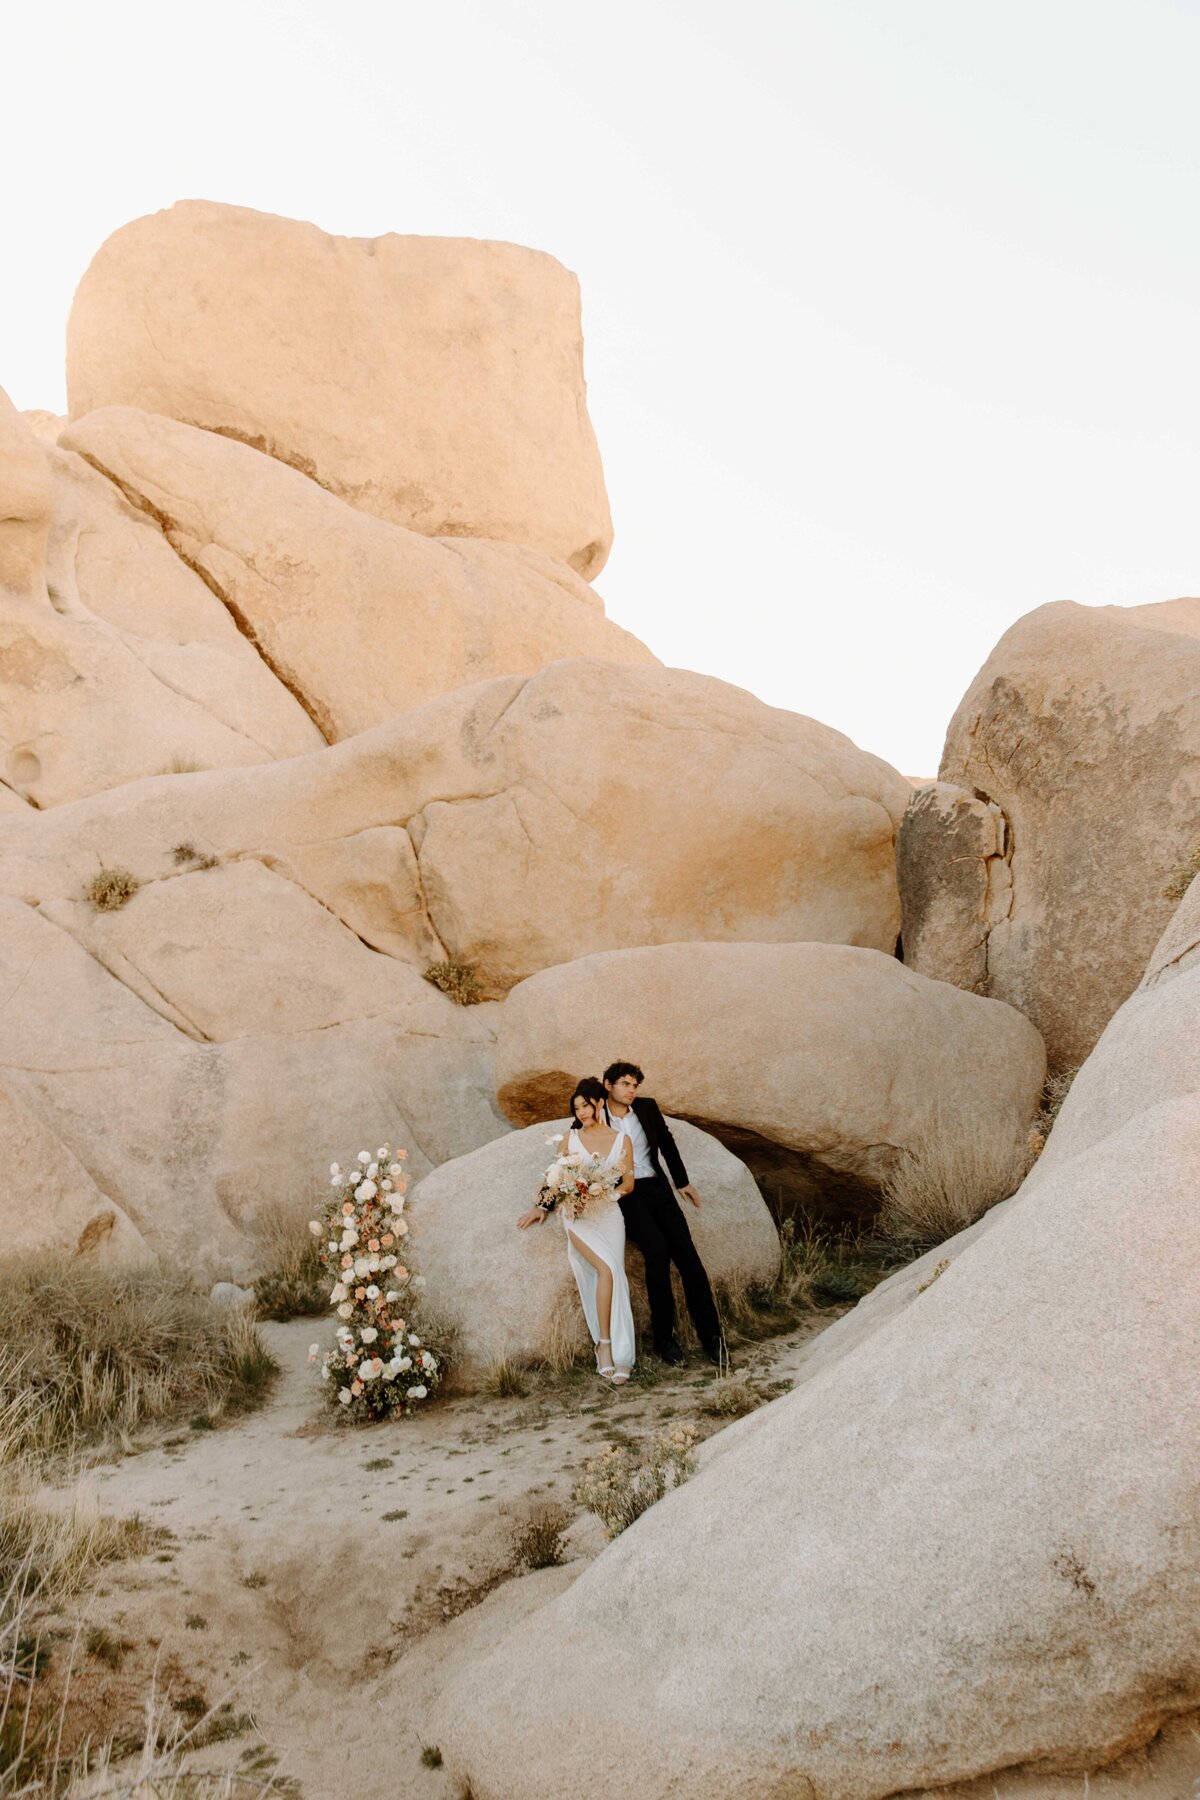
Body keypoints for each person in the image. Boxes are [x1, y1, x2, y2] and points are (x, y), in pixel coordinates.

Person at [516, 1077, 636, 1383]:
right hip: (577, 1217)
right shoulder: (570, 1139)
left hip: (609, 1215)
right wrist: (541, 1207)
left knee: (615, 1273)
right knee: (606, 1269)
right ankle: (605, 1346)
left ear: (599, 1103)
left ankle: (622, 1352)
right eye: (576, 1107)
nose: (581, 1112)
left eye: (585, 1105)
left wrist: (604, 1194)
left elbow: (628, 1183)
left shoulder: (622, 1140)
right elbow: (554, 1177)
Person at [603, 1060, 723, 1366]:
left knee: (688, 1256)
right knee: (656, 1253)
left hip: (657, 1187)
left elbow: (666, 1143)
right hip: (628, 1195)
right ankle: (664, 1341)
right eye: (625, 1084)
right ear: (608, 1085)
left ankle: (712, 1338)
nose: (631, 1091)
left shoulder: (646, 1107)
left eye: (634, 1085)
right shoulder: (597, 1116)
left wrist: (682, 1181)